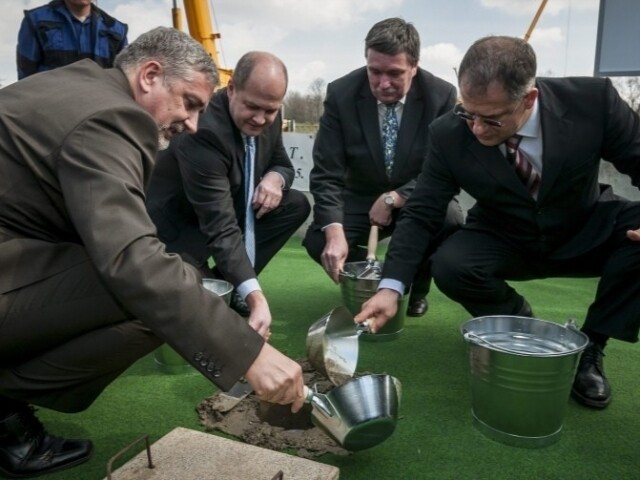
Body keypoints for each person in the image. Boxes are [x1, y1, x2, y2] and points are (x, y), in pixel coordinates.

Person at [0, 27, 304, 479]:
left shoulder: (80, 85)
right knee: (157, 294)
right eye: (189, 103)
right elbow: (130, 260)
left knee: (166, 289)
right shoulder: (114, 117)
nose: (192, 123)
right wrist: (249, 355)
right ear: (150, 75)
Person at [356, 35, 640, 411]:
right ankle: (522, 325)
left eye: (491, 119)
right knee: (450, 263)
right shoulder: (447, 133)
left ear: (529, 100)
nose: (476, 129)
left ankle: (590, 348)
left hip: (586, 228)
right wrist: (391, 288)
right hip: (506, 235)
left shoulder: (593, 101)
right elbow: (423, 211)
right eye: (467, 113)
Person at [302, 17, 463, 317]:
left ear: (414, 66)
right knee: (318, 237)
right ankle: (368, 282)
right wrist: (335, 230)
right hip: (360, 195)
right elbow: (326, 173)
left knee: (449, 218)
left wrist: (395, 197)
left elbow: (444, 171)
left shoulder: (441, 96)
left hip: (416, 194)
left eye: (395, 73)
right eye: (374, 71)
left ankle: (414, 286)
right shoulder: (341, 94)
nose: (383, 83)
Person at [146, 51, 310, 331]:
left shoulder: (269, 109)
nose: (260, 119)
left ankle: (232, 280)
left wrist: (274, 178)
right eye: (252, 107)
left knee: (295, 203)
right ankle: (216, 280)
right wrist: (256, 297)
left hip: (226, 206)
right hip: (178, 228)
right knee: (196, 316)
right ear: (231, 88)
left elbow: (282, 163)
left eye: (270, 111)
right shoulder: (203, 131)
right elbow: (219, 225)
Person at [17, 0, 128, 80]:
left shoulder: (116, 30)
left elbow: (123, 80)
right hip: (51, 108)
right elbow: (26, 78)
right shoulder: (35, 21)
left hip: (99, 108)